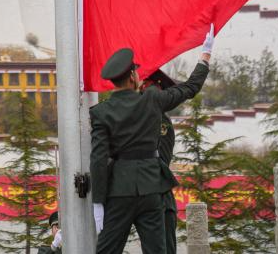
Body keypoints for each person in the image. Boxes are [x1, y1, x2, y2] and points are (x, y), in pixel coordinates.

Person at [89, 29, 215, 254]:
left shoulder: (101, 113)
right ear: (132, 77)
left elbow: (98, 158)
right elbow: (189, 88)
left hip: (119, 191)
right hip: (151, 188)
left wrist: (98, 201)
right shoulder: (152, 99)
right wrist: (204, 56)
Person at [143, 69, 179, 254]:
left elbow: (161, 163)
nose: (142, 90)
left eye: (147, 86)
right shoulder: (143, 119)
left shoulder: (161, 122)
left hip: (161, 200)